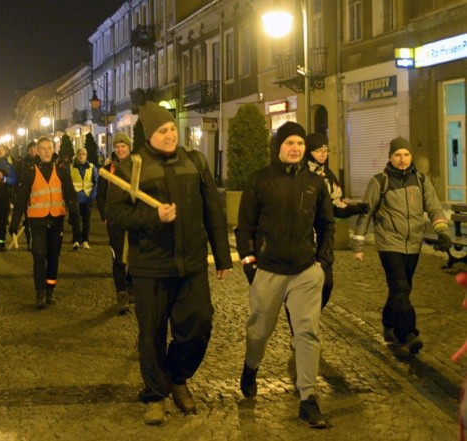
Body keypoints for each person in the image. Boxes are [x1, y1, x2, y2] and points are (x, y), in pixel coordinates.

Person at [106, 101, 232, 425]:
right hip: (150, 266)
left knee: (199, 324)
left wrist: (221, 256)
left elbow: (213, 212)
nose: (170, 135)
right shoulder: (130, 167)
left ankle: (178, 377)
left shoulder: (195, 161)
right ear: (149, 135)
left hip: (190, 264)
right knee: (151, 334)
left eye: (173, 129)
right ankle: (156, 394)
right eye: (163, 131)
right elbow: (115, 213)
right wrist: (153, 216)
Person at [235, 121, 335, 429]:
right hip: (268, 269)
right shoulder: (259, 181)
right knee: (259, 330)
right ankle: (251, 367)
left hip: (306, 271)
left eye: (300, 144)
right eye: (289, 142)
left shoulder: (315, 183)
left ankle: (308, 399)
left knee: (307, 333)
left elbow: (326, 224)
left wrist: (323, 262)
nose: (295, 148)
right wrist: (251, 264)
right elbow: (244, 227)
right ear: (278, 146)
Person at [352, 136, 451, 355]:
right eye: (397, 155)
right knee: (401, 288)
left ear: (411, 156)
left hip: (413, 244)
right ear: (390, 157)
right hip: (389, 243)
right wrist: (358, 244)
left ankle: (389, 325)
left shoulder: (421, 181)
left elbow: (434, 209)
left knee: (400, 290)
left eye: (406, 154)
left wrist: (442, 231)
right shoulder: (380, 181)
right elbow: (365, 213)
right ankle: (408, 334)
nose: (402, 159)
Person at [9, 137, 79, 310]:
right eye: (43, 149)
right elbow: (21, 198)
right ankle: (40, 293)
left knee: (53, 257)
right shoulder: (30, 170)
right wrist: (14, 223)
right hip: (37, 221)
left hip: (56, 220)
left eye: (49, 148)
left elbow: (70, 192)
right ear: (37, 151)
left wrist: (74, 213)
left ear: (53, 149)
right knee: (39, 256)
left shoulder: (61, 169)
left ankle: (50, 290)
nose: (46, 152)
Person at [304, 133, 369, 308]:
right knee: (304, 283)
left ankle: (315, 310)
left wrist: (353, 209)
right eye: (318, 150)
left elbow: (336, 203)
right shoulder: (301, 173)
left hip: (324, 236)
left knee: (327, 283)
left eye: (325, 150)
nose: (323, 154)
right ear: (309, 152)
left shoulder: (328, 175)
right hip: (303, 237)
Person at [97, 132, 133, 315]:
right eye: (117, 146)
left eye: (123, 146)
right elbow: (100, 195)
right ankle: (122, 295)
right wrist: (105, 216)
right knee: (118, 258)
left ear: (129, 147)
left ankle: (131, 286)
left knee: (135, 256)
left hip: (135, 220)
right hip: (115, 221)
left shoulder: (138, 168)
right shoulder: (107, 170)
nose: (120, 149)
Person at [70, 146, 98, 250]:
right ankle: (76, 240)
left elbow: (96, 182)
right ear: (76, 156)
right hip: (76, 198)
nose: (81, 156)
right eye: (79, 154)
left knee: (86, 221)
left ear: (86, 156)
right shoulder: (71, 167)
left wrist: (92, 196)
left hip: (87, 197)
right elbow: (68, 183)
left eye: (83, 154)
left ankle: (85, 240)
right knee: (76, 220)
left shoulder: (91, 167)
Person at [15, 141, 39, 250]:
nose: (32, 150)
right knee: (28, 219)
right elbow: (17, 178)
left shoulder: (41, 161)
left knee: (37, 220)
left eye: (34, 148)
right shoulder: (22, 163)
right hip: (25, 194)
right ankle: (30, 241)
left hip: (38, 195)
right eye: (30, 148)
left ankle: (38, 240)